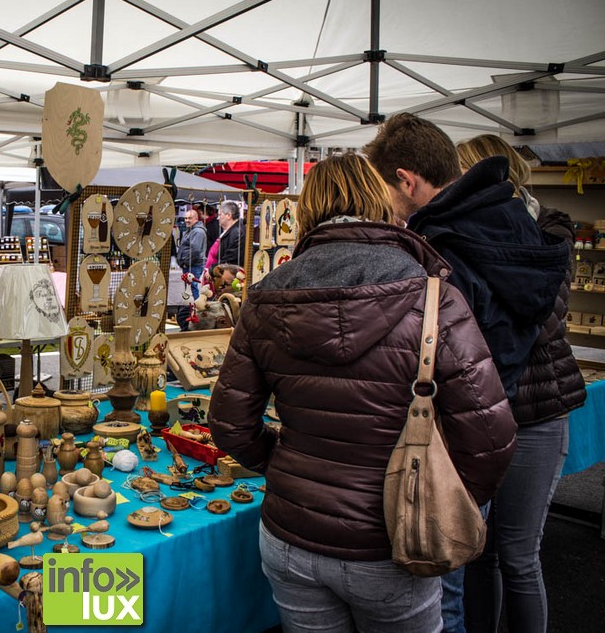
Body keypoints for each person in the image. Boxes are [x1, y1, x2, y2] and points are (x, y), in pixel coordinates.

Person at [208, 152, 517, 633]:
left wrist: (287, 467)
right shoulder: (432, 296)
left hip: (295, 535)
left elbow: (230, 425)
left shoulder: (266, 295)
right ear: (379, 200)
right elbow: (490, 437)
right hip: (390, 537)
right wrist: (437, 499)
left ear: (309, 209)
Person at [363, 114, 571, 632]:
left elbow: (450, 348)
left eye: (386, 190)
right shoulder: (507, 219)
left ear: (406, 180)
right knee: (490, 556)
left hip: (468, 423)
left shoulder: (444, 239)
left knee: (459, 570)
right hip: (503, 412)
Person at [455, 135, 585, 633]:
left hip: (536, 411)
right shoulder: (462, 233)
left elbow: (541, 318)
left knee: (518, 555)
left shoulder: (549, 228)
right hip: (483, 413)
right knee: (479, 551)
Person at [176, 207, 207, 302]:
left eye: (189, 218)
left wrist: (186, 262)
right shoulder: (191, 230)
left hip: (193, 265)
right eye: (185, 218)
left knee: (193, 288)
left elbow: (195, 251)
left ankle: (196, 308)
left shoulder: (197, 231)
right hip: (190, 265)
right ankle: (192, 307)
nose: (187, 220)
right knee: (190, 289)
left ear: (196, 219)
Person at [216, 200, 244, 266]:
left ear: (228, 215)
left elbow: (230, 259)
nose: (218, 218)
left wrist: (212, 269)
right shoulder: (233, 231)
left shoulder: (237, 233)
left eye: (220, 215)